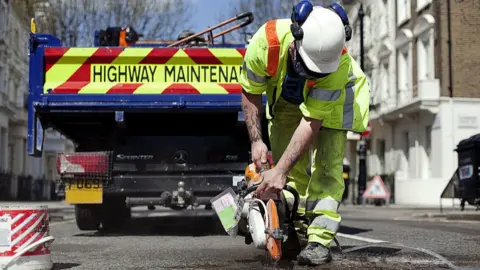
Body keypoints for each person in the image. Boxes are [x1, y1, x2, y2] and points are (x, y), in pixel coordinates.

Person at [239, 1, 370, 266]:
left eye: (315, 71)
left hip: (336, 102)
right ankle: (295, 232)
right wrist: (256, 140)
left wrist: (279, 170)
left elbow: (312, 120)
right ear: (295, 40)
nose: (309, 74)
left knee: (327, 168)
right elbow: (251, 91)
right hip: (286, 101)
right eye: (305, 66)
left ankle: (319, 240)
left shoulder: (338, 65)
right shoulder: (266, 42)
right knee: (289, 172)